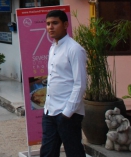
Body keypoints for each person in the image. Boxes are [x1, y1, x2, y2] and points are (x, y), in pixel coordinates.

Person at [40, 9, 87, 157]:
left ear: (65, 24)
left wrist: (67, 112)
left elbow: (80, 84)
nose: (50, 27)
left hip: (67, 113)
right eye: (48, 24)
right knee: (47, 153)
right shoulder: (53, 47)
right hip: (50, 111)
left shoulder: (74, 49)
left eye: (55, 23)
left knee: (74, 152)